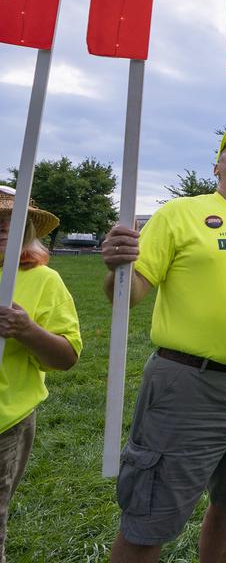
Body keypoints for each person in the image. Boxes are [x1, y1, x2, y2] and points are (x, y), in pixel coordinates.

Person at [100, 123, 226, 563]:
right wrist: (116, 268)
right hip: (187, 384)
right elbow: (129, 294)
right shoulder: (179, 213)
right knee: (152, 514)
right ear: (217, 165)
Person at [0, 189, 81, 563]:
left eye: (10, 223)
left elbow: (66, 358)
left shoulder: (44, 280)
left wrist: (26, 330)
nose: (2, 230)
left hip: (5, 421)